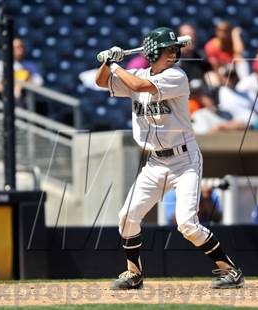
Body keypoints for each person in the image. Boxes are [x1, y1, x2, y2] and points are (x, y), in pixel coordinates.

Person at [95, 27, 244, 290]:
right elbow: (100, 82)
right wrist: (108, 62)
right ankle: (133, 273)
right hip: (153, 163)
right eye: (169, 49)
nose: (175, 53)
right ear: (154, 52)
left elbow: (139, 86)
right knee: (127, 216)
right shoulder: (136, 74)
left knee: (187, 224)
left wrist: (116, 66)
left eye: (175, 49)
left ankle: (230, 270)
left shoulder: (177, 76)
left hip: (184, 161)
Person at [0, 38, 43, 103]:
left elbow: (39, 82)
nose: (20, 50)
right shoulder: (1, 64)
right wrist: (12, 90)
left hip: (25, 101)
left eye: (21, 47)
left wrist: (27, 79)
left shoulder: (30, 65)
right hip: (5, 101)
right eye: (16, 47)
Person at [204, 21, 248, 86]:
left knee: (240, 58)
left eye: (225, 31)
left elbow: (239, 52)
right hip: (220, 72)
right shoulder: (211, 46)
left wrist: (235, 35)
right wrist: (225, 82)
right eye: (220, 31)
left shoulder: (233, 42)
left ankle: (245, 85)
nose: (222, 34)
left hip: (233, 69)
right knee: (209, 77)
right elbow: (215, 68)